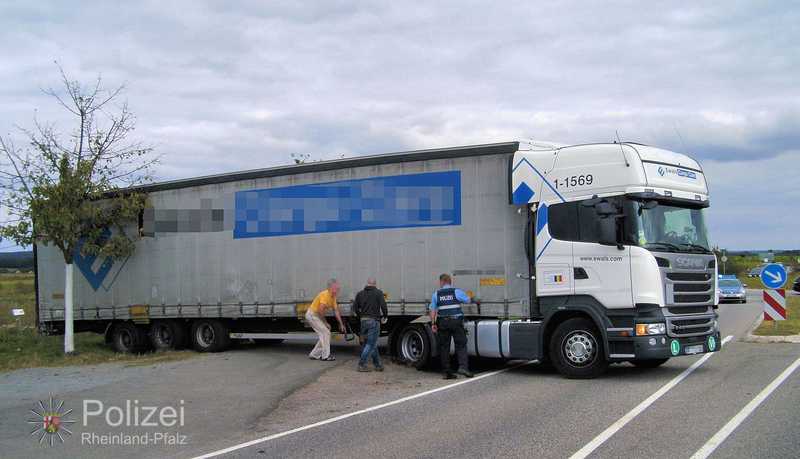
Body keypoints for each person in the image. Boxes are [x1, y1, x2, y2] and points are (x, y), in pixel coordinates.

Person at [429, 273, 474, 379]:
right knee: (461, 344)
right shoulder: (456, 292)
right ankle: (463, 367)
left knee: (444, 347)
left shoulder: (436, 294)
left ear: (442, 282)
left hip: (443, 322)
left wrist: (433, 323)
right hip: (456, 322)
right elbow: (468, 300)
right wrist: (471, 296)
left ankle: (446, 372)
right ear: (450, 281)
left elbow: (432, 310)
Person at [352, 277, 388, 372]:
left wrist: (361, 316)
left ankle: (378, 365)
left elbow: (355, 308)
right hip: (374, 321)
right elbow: (383, 306)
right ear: (375, 284)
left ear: (367, 283)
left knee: (372, 344)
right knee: (370, 344)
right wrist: (385, 316)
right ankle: (361, 364)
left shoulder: (360, 294)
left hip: (363, 321)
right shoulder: (378, 293)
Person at [306, 278, 346, 361]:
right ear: (331, 287)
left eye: (338, 288)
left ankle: (314, 354)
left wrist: (341, 324)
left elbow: (336, 311)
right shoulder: (325, 295)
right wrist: (325, 323)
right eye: (336, 287)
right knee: (326, 332)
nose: (338, 289)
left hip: (316, 316)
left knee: (324, 334)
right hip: (312, 315)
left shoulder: (333, 297)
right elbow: (320, 310)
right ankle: (325, 356)